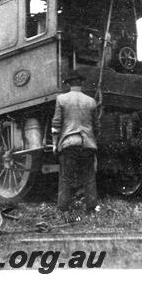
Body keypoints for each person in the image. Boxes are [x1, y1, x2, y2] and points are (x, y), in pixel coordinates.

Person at [52, 70, 99, 217]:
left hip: (69, 144)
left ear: (68, 85)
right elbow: (96, 126)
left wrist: (55, 144)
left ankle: (63, 209)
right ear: (81, 84)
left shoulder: (61, 99)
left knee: (65, 177)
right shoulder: (91, 101)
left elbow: (56, 124)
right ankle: (91, 209)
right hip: (88, 144)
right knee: (89, 177)